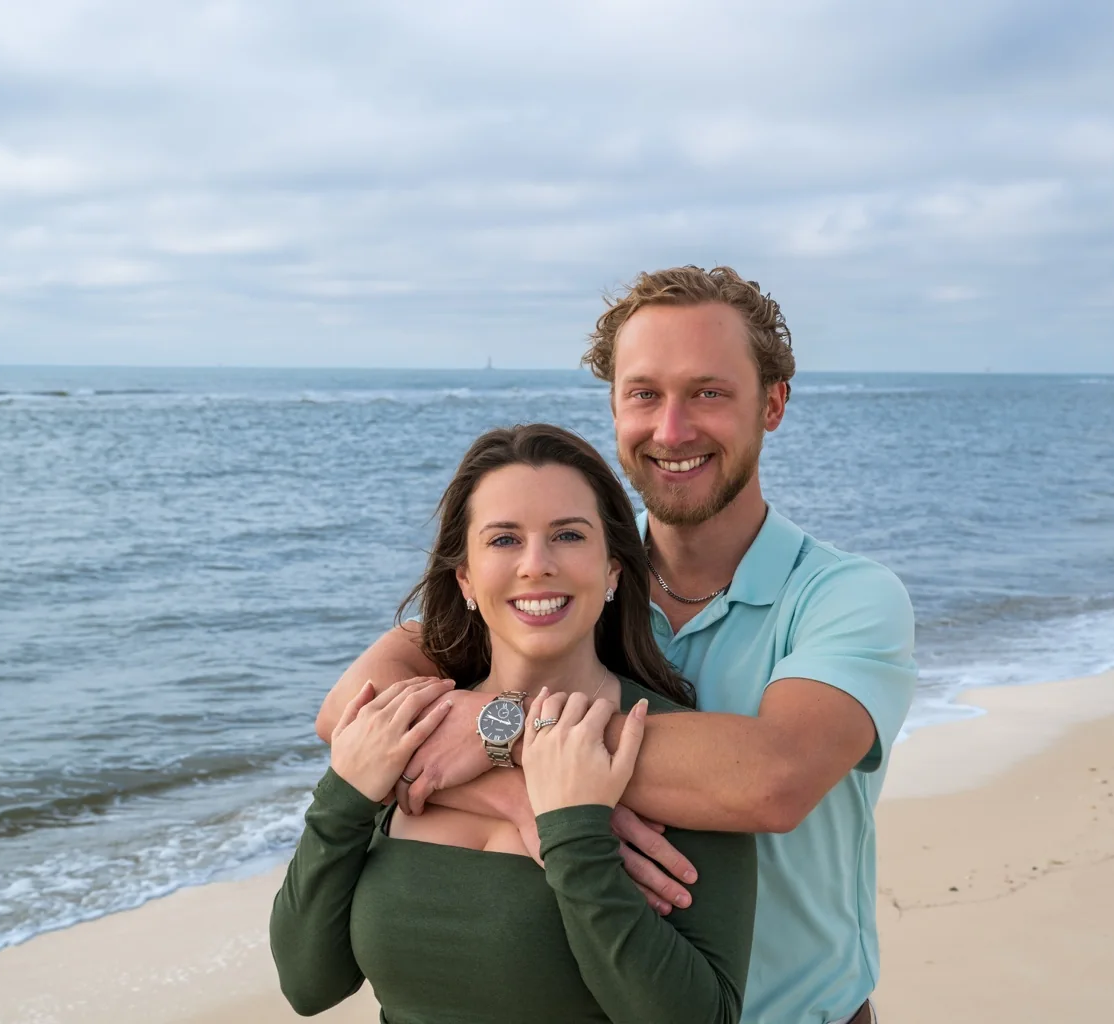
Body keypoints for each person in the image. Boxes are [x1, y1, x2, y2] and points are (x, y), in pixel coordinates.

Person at [316, 265, 917, 1024]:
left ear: (772, 404)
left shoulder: (845, 598)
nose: (671, 430)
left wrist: (495, 729)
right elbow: (348, 715)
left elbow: (775, 779)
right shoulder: (565, 580)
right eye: (644, 394)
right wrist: (512, 789)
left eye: (708, 392)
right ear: (612, 408)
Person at [270, 424, 758, 1022]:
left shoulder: (667, 752)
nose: (536, 565)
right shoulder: (409, 730)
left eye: (569, 535)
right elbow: (307, 982)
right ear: (465, 578)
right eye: (504, 539)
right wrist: (342, 802)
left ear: (612, 572)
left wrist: (575, 838)